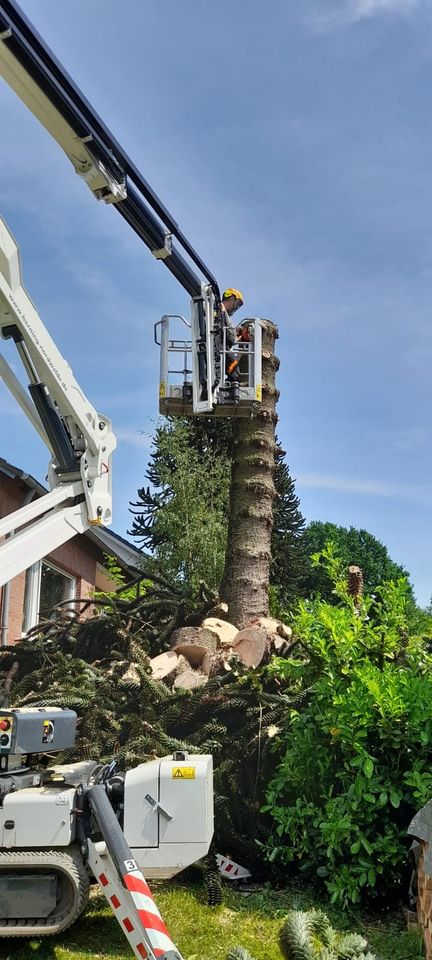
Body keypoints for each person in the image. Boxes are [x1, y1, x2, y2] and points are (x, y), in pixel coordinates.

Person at [220, 288, 245, 382]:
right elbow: (230, 338)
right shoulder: (221, 311)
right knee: (234, 371)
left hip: (220, 347)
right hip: (220, 347)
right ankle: (229, 388)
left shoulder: (220, 311)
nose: (236, 307)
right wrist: (238, 338)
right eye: (237, 304)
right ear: (231, 299)